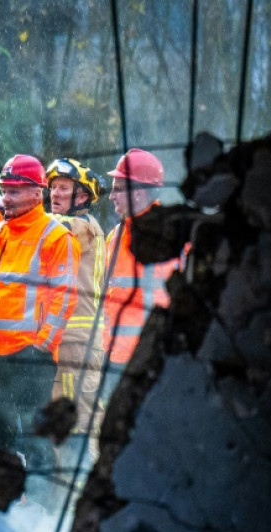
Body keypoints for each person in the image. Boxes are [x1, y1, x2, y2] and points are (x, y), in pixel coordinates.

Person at [0, 154, 79, 501]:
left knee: (36, 443)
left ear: (37, 193)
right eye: (5, 190)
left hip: (31, 358)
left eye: (15, 191)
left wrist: (42, 344)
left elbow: (65, 296)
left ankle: (44, 515)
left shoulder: (56, 236)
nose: (7, 198)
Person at [45, 158, 106, 465]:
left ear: (82, 197)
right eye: (52, 187)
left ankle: (92, 491)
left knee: (81, 424)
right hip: (71, 342)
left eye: (64, 188)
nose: (54, 193)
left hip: (79, 344)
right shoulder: (75, 226)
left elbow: (42, 228)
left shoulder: (82, 227)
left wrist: (10, 205)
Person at [103, 148, 182, 387]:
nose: (110, 196)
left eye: (117, 189)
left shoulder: (174, 237)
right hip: (114, 363)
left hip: (152, 365)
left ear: (137, 192)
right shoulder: (115, 237)